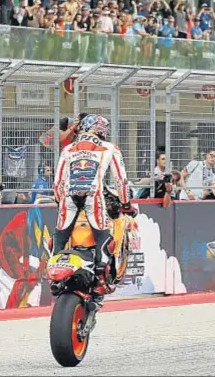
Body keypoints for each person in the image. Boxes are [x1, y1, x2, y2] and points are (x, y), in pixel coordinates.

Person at [51, 114, 137, 296]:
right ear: (101, 129)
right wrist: (126, 203)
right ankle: (100, 279)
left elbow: (58, 181)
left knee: (60, 235)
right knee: (103, 236)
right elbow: (120, 180)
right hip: (93, 196)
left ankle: (55, 276)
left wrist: (59, 201)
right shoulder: (109, 148)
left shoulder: (69, 148)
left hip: (69, 197)